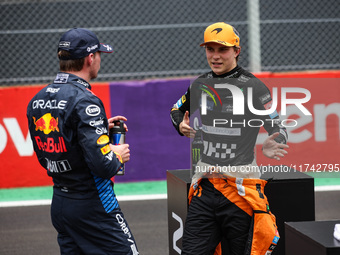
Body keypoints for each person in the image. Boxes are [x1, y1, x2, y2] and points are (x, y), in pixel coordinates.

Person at [170, 22, 289, 255]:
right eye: (210, 49)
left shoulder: (253, 86)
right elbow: (175, 110)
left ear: (236, 51)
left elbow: (279, 127)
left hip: (241, 187)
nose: (215, 56)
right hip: (206, 184)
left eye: (222, 50)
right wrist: (180, 124)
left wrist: (274, 141)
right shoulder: (201, 83)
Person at [27, 28, 139, 255]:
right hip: (92, 203)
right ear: (90, 58)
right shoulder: (86, 100)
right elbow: (104, 165)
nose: (99, 61)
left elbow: (52, 149)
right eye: (98, 55)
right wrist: (117, 153)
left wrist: (98, 127)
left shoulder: (37, 99)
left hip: (60, 201)